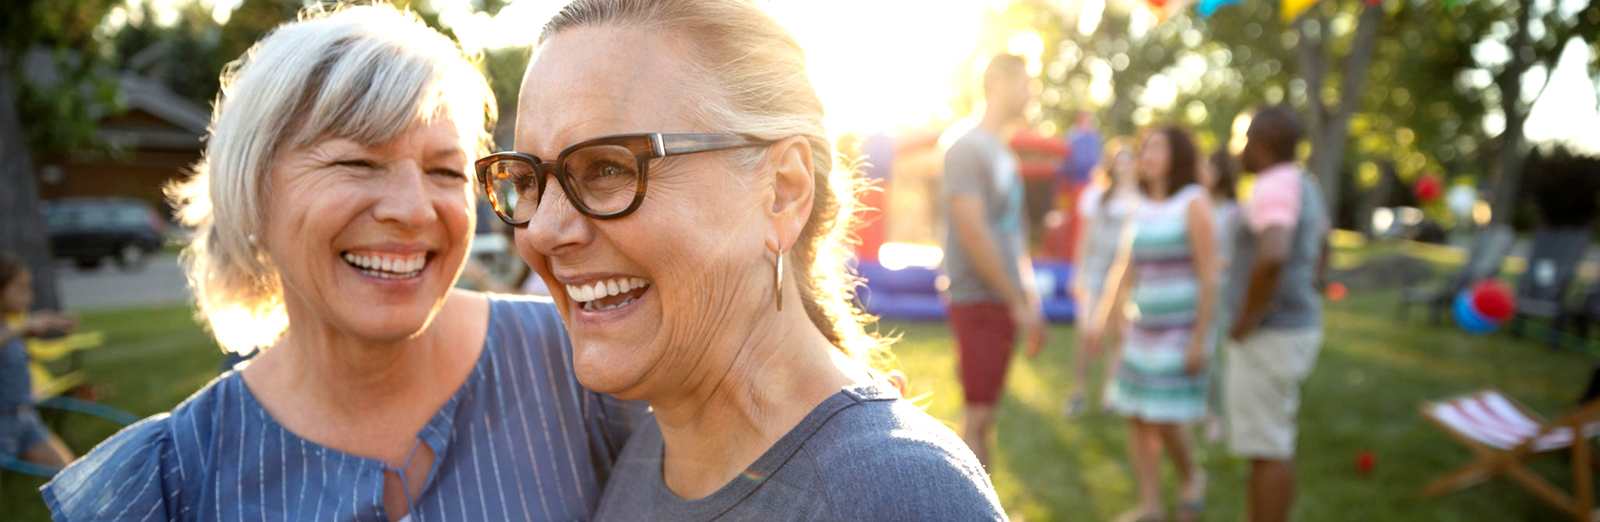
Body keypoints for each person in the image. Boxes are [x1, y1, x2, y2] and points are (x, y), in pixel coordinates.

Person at [42, 5, 636, 520]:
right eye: (356, 163)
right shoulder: (172, 481)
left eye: (444, 171)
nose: (413, 209)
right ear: (251, 191)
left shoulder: (578, 368)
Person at [488, 0, 1006, 519]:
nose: (542, 230)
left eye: (606, 167)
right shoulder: (647, 446)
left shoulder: (893, 495)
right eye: (526, 179)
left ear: (782, 192)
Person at [1089, 126, 1219, 522]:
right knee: (1137, 414)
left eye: (1156, 146)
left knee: (1164, 415)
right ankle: (1150, 505)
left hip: (1180, 334)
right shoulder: (1139, 206)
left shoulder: (1193, 202)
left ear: (1177, 154)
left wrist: (1200, 339)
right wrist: (1103, 319)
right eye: (1144, 147)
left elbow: (1210, 275)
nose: (1147, 154)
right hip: (1142, 332)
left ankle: (1191, 476)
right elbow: (1124, 268)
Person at [939, 53, 1047, 468]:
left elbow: (1012, 238)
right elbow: (974, 231)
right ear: (998, 83)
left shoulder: (1002, 152)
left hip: (1001, 298)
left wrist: (1028, 302)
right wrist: (1016, 301)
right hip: (978, 297)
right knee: (978, 418)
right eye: (1026, 82)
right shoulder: (965, 145)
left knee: (987, 416)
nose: (1031, 92)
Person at [1226, 106, 1329, 522]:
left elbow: (1273, 255)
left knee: (1268, 448)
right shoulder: (1305, 182)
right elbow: (1322, 246)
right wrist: (1313, 282)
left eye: (1242, 139)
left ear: (1262, 146)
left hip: (1271, 334)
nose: (1237, 150)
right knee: (1271, 443)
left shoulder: (1273, 183)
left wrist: (1246, 318)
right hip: (1294, 327)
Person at [1067, 138, 1139, 417]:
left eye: (1128, 159)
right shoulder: (1096, 195)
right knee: (1087, 332)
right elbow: (1084, 239)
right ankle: (1079, 390)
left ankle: (1111, 393)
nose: (1123, 165)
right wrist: (1079, 272)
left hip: (1124, 275)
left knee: (1119, 333)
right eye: (1118, 159)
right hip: (1096, 271)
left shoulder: (1141, 197)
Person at [0, 253, 78, 471]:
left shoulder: (10, 326)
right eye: (21, 289)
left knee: (70, 474)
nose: (29, 296)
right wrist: (23, 328)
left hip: (25, 418)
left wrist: (48, 323)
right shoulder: (14, 329)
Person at [1199, 148, 1242, 441]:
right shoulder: (1199, 205)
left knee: (1214, 354)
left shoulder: (1234, 212)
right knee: (1200, 350)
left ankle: (1218, 414)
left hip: (1222, 289)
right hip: (1199, 287)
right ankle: (1200, 408)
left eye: (1209, 168)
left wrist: (1214, 263)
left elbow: (1239, 256)